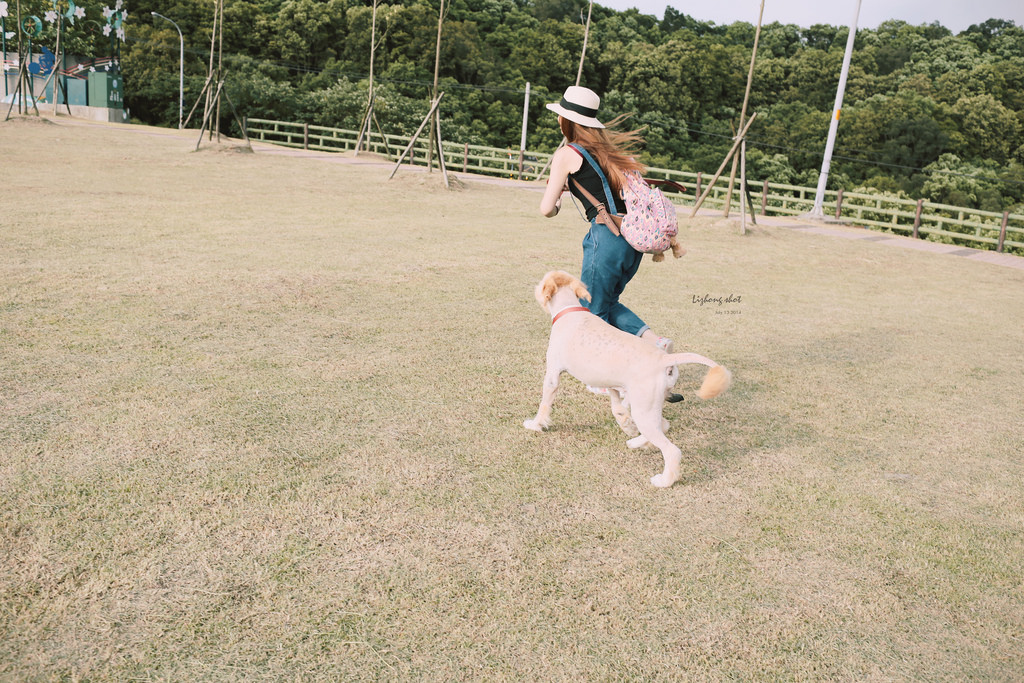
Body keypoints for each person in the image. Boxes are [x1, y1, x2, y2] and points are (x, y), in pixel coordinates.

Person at [539, 85, 676, 355]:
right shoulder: (607, 153)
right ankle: (654, 342)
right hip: (631, 241)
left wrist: (557, 203)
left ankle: (602, 377)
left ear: (565, 120)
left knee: (592, 308)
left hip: (606, 239)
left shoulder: (567, 154)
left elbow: (546, 209)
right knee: (608, 301)